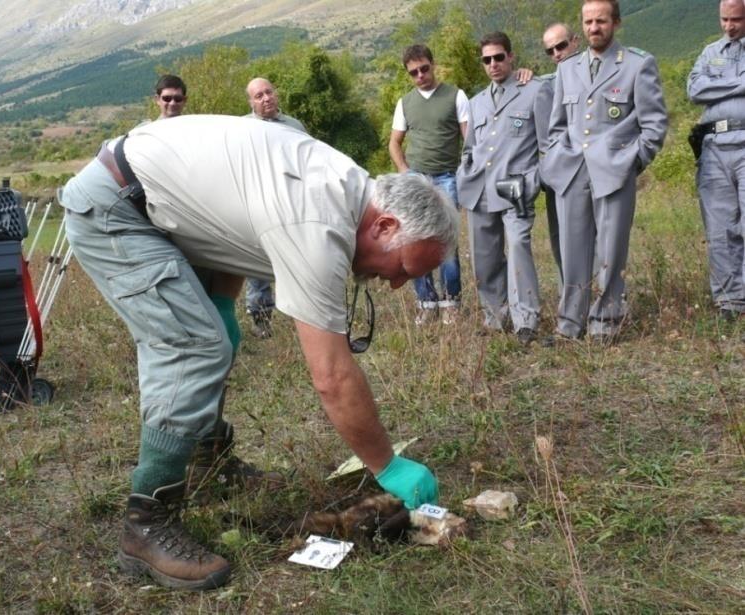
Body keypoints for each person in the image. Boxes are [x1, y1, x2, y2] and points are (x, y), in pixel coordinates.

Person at [60, 115, 456, 591]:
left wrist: (223, 301)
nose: (394, 284)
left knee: (215, 333)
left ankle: (208, 462)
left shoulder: (346, 186)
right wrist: (387, 464)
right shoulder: (319, 222)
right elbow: (331, 375)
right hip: (116, 209)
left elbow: (235, 231)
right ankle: (146, 525)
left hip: (152, 200)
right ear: (386, 224)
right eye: (403, 268)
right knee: (194, 346)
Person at [540, 0, 668, 344]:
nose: (594, 27)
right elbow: (556, 126)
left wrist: (631, 163)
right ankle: (570, 322)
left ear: (616, 22)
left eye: (601, 21)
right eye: (587, 21)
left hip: (614, 172)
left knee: (611, 251)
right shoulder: (567, 69)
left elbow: (654, 126)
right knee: (572, 249)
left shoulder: (638, 66)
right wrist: (557, 157)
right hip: (572, 173)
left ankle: (605, 321)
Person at [457, 32, 552, 345]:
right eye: (487, 59)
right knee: (484, 257)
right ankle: (495, 317)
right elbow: (469, 147)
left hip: (515, 188)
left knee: (518, 246)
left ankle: (526, 319)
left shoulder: (534, 90)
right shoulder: (476, 102)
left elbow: (547, 144)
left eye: (499, 57)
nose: (493, 64)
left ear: (511, 57)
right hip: (479, 188)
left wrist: (534, 180)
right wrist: (464, 173)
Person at [389, 44, 466, 325]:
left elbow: (468, 139)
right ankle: (426, 301)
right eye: (414, 72)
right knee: (415, 240)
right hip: (417, 179)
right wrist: (405, 172)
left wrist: (465, 174)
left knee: (446, 240)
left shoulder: (456, 96)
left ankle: (451, 302)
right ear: (409, 74)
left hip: (447, 176)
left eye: (424, 68)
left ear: (433, 65)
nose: (420, 75)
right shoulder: (405, 103)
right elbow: (394, 142)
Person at [687, 0, 745, 321]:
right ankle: (729, 301)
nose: (729, 26)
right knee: (720, 227)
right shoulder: (711, 52)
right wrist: (740, 85)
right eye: (724, 19)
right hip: (714, 147)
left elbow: (708, 88)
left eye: (736, 19)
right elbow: (695, 89)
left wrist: (717, 87)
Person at [242, 77, 307, 338]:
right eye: (259, 96)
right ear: (251, 102)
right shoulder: (242, 128)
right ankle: (261, 319)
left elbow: (307, 161)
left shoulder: (294, 126)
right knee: (258, 263)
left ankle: (303, 314)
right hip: (257, 205)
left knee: (296, 260)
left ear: (276, 94)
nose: (266, 98)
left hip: (292, 205)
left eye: (269, 92)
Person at [540, 23, 581, 283]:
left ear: (575, 41)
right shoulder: (546, 83)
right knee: (559, 239)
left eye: (561, 45)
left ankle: (605, 301)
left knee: (597, 238)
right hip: (557, 175)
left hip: (589, 172)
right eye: (550, 50)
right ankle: (571, 295)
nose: (557, 53)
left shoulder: (594, 73)